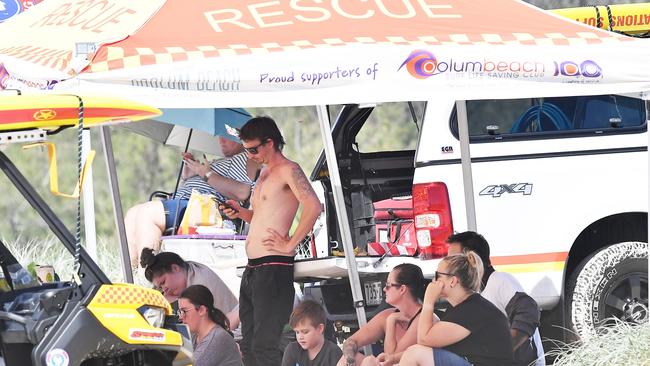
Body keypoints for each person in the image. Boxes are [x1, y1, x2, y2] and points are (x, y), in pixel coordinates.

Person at [220, 116, 321, 366]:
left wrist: (291, 244)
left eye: (253, 149)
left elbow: (313, 206)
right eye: (246, 150)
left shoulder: (289, 169)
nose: (251, 155)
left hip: (274, 265)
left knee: (265, 343)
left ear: (270, 142)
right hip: (254, 266)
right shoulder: (264, 173)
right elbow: (263, 216)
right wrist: (240, 212)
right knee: (250, 341)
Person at [125, 136, 258, 271]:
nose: (221, 141)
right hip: (187, 201)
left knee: (148, 212)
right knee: (132, 213)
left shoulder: (247, 158)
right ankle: (131, 276)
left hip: (206, 208)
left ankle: (149, 275)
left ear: (241, 139)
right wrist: (189, 175)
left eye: (226, 137)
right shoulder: (221, 161)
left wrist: (206, 174)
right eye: (220, 137)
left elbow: (242, 192)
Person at [446, 231, 545, 366]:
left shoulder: (499, 280)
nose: (448, 266)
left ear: (472, 259)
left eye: (453, 260)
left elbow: (529, 310)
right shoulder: (469, 293)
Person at [400, 251, 513, 366]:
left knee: (415, 354)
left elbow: (424, 339)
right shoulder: (465, 306)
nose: (434, 280)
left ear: (453, 281)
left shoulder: (472, 310)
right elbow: (433, 345)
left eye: (438, 275)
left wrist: (428, 301)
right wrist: (394, 358)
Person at [337, 264, 427, 366]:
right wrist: (349, 360)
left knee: (369, 362)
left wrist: (391, 321)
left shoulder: (424, 318)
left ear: (402, 289)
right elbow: (351, 341)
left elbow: (391, 359)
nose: (384, 289)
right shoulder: (389, 313)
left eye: (388, 285)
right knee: (350, 358)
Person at [140, 248, 239, 329]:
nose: (164, 290)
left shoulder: (200, 282)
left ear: (175, 268)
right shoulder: (189, 269)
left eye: (163, 282)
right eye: (160, 287)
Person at [179, 285, 243, 366]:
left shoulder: (216, 339)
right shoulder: (196, 336)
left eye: (184, 311)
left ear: (202, 310)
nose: (181, 317)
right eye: (180, 312)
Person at [282, 300, 342, 366]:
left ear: (320, 328)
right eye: (297, 332)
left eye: (305, 332)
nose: (300, 337)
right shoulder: (292, 350)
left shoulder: (333, 353)